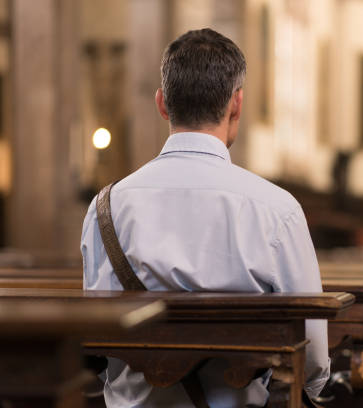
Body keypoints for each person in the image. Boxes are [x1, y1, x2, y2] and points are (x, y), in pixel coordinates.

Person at [81, 28, 329, 407]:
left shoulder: (106, 207)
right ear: (237, 105)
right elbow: (311, 358)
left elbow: (92, 342)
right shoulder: (278, 211)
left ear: (162, 103)